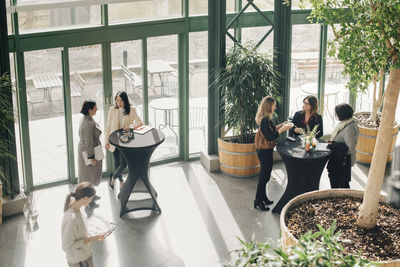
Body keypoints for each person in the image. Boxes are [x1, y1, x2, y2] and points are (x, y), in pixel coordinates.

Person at [254, 96, 292, 211]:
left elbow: (271, 130)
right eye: (274, 105)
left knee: (265, 175)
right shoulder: (265, 119)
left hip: (266, 150)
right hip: (264, 151)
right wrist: (282, 130)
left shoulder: (266, 118)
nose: (275, 106)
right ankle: (258, 201)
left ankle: (263, 197)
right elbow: (270, 136)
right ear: (269, 106)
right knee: (264, 176)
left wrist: (281, 125)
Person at [104, 91, 143, 190]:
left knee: (123, 164)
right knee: (116, 162)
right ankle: (120, 180)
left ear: (125, 100)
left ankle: (113, 178)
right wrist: (106, 141)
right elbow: (108, 126)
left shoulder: (131, 110)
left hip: (125, 139)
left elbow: (139, 122)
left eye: (121, 100)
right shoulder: (112, 110)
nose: (119, 103)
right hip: (114, 139)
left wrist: (131, 127)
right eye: (117, 100)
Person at [61, 182, 105, 267]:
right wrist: (88, 239)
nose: (91, 201)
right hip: (79, 261)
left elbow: (81, 229)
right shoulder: (72, 220)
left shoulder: (79, 209)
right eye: (91, 199)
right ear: (85, 198)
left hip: (85, 257)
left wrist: (95, 232)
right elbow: (66, 247)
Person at [327, 103, 359, 188]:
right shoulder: (346, 122)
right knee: (337, 180)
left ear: (342, 114)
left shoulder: (349, 129)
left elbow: (350, 149)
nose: (336, 115)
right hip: (339, 159)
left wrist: (334, 145)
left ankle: (337, 198)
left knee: (341, 183)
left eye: (337, 113)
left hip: (342, 161)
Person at [78, 100, 102, 208]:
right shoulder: (87, 124)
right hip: (88, 151)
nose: (97, 109)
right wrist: (91, 157)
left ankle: (93, 195)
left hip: (89, 149)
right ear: (89, 110)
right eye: (95, 108)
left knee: (91, 174)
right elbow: (89, 142)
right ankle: (89, 200)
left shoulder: (87, 118)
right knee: (89, 176)